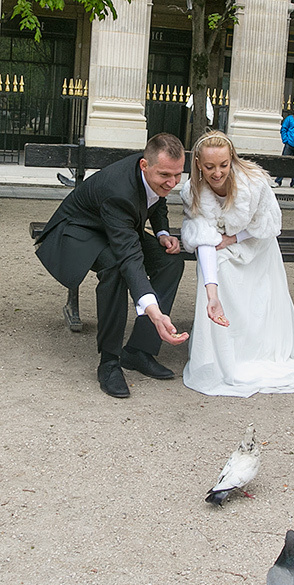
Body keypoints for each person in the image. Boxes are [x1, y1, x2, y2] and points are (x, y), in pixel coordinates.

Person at [180, 130, 294, 397]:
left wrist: (233, 237)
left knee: (246, 282)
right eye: (210, 166)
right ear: (199, 164)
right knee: (217, 265)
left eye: (224, 165)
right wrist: (211, 293)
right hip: (221, 247)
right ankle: (223, 347)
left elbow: (269, 225)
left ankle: (254, 346)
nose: (217, 173)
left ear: (232, 160)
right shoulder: (193, 192)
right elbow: (204, 241)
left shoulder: (254, 183)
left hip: (256, 244)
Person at [34, 133, 188, 398]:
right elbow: (130, 256)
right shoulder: (119, 191)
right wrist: (153, 310)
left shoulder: (155, 172)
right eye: (165, 175)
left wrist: (162, 233)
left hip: (115, 227)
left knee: (170, 261)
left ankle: (138, 351)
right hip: (78, 232)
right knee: (116, 267)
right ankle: (109, 362)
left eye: (177, 175)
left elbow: (157, 199)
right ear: (144, 165)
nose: (172, 183)